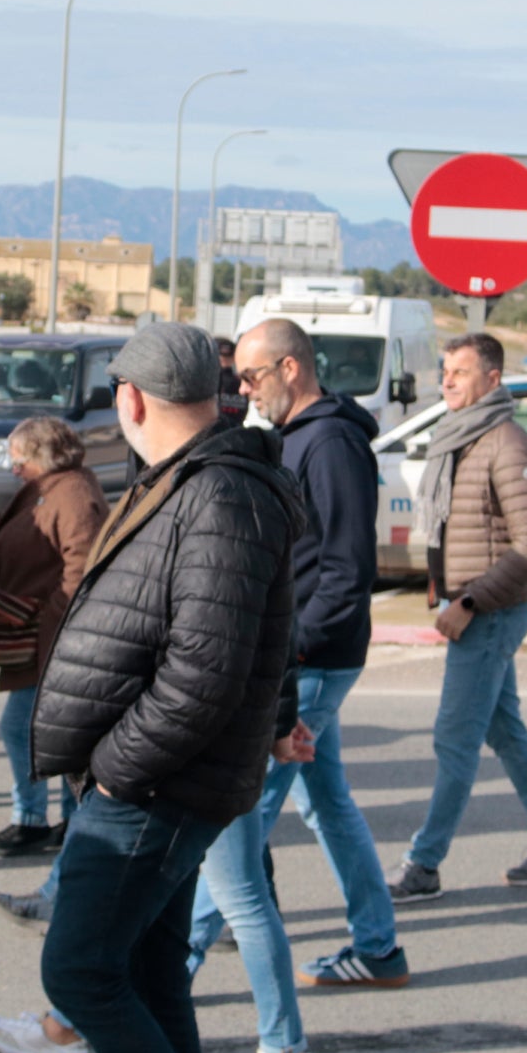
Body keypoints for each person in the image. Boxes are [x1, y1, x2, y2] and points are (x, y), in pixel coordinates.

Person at [33, 322, 301, 1053]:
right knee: (149, 973)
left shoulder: (219, 490)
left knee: (78, 970)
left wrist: (115, 771)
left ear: (131, 399)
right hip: (162, 778)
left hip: (156, 785)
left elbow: (205, 673)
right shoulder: (188, 477)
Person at [199, 316, 408, 993]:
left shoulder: (332, 443)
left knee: (242, 814)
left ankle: (161, 971)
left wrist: (291, 651)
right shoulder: (297, 436)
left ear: (290, 368)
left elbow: (347, 569)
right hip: (302, 656)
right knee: (327, 803)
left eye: (251, 376)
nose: (244, 390)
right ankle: (378, 947)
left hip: (312, 660)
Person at [389, 331, 527, 901]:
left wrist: (470, 602)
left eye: (461, 371)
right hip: (474, 607)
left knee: (454, 740)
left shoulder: (507, 445)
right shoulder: (461, 436)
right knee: (505, 730)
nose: (447, 380)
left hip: (490, 612)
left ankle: (424, 865)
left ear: (493, 379)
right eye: (445, 370)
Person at [0, 414, 106, 857]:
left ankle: (36, 819)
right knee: (53, 730)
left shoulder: (73, 493)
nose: (14, 469)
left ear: (45, 456)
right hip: (46, 633)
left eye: (20, 460)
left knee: (23, 726)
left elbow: (82, 566)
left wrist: (50, 612)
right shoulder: (53, 485)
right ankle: (66, 818)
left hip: (58, 637)